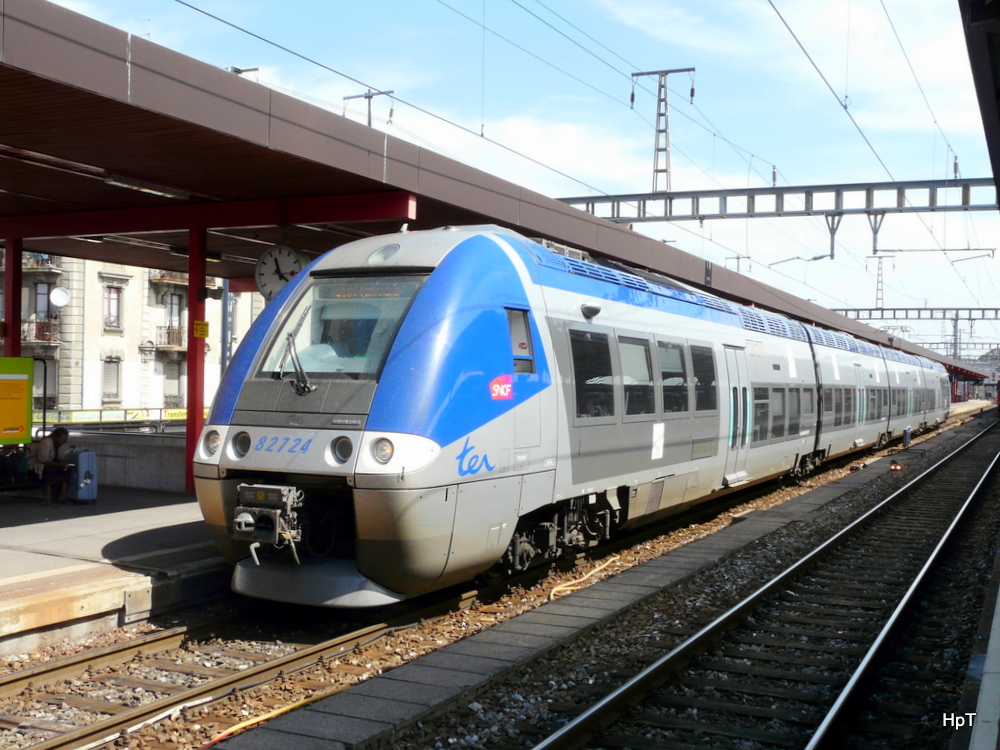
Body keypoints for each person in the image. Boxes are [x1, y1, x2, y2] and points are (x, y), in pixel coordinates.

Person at [27, 427, 71, 505]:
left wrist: (64, 463)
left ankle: (62, 496)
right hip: (37, 464)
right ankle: (47, 497)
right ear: (55, 437)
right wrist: (58, 465)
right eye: (61, 440)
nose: (62, 442)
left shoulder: (61, 445)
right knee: (48, 470)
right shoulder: (46, 443)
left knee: (65, 470)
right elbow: (43, 460)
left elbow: (60, 457)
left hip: (51, 463)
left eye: (64, 441)